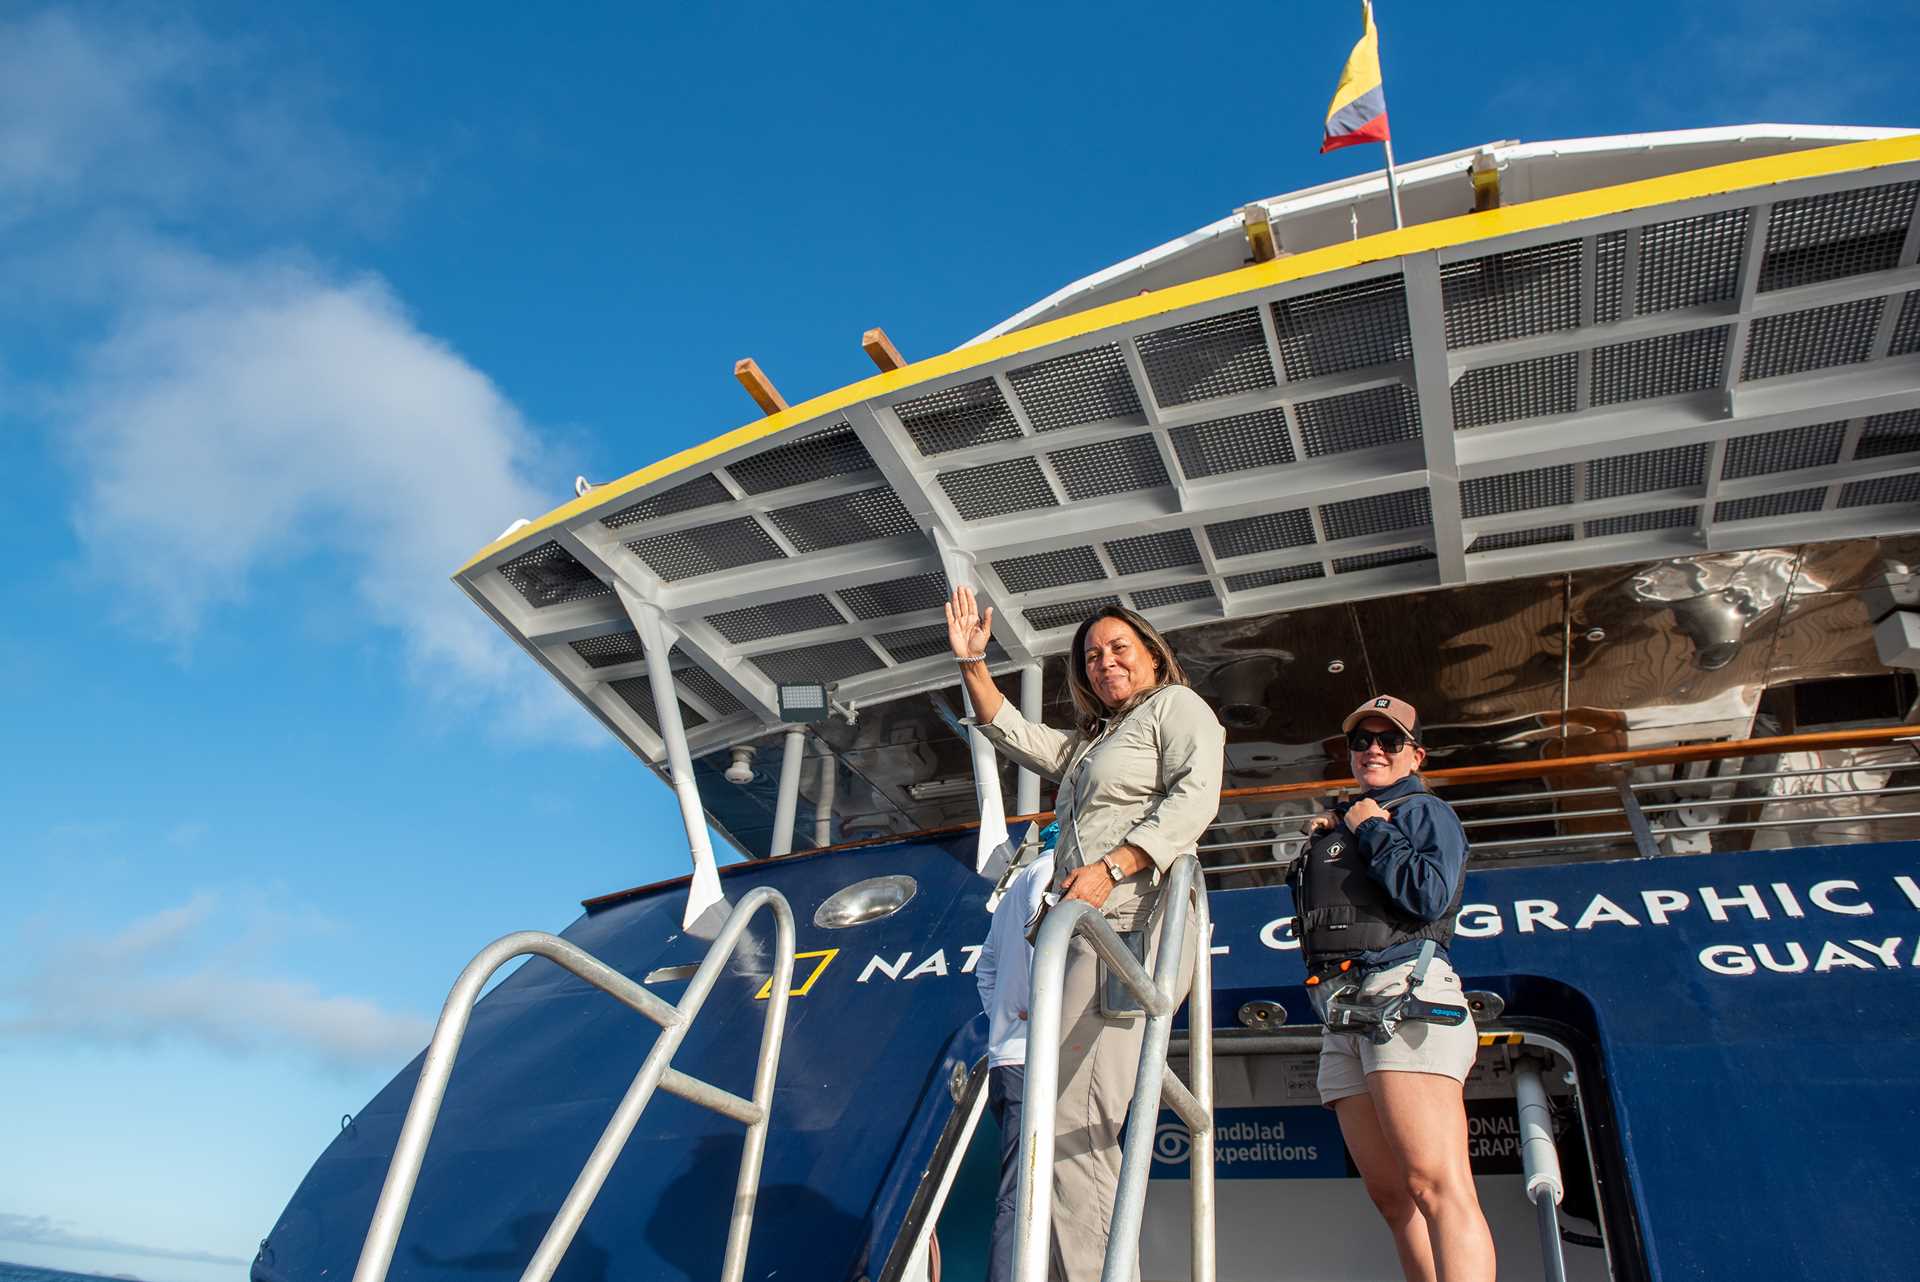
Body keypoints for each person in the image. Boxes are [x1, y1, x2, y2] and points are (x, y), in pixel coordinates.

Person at [944, 585, 1224, 1282]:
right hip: (1084, 937)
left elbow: (1197, 795)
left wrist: (1115, 864)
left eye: (1119, 648)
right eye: (1093, 656)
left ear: (1154, 655)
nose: (1105, 663)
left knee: (1077, 1128)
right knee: (1057, 1122)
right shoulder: (1098, 739)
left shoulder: (1177, 709)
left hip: (1130, 927)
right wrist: (974, 666)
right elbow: (1020, 736)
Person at [1297, 696, 1495, 1282]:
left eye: (1389, 740)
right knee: (1393, 1199)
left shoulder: (1425, 812)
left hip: (1404, 993)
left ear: (1416, 753)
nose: (1373, 750)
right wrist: (1349, 822)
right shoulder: (1346, 818)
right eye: (1361, 741)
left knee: (1437, 1186)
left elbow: (1430, 896)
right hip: (1343, 1010)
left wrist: (1375, 829)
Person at [975, 826, 1057, 1282]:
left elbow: (985, 970)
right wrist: (1040, 1013)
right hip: (1035, 1059)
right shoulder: (1049, 872)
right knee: (1026, 1192)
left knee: (1020, 1187)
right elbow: (1041, 944)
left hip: (1007, 1058)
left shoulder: (1010, 891)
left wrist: (1007, 1018)